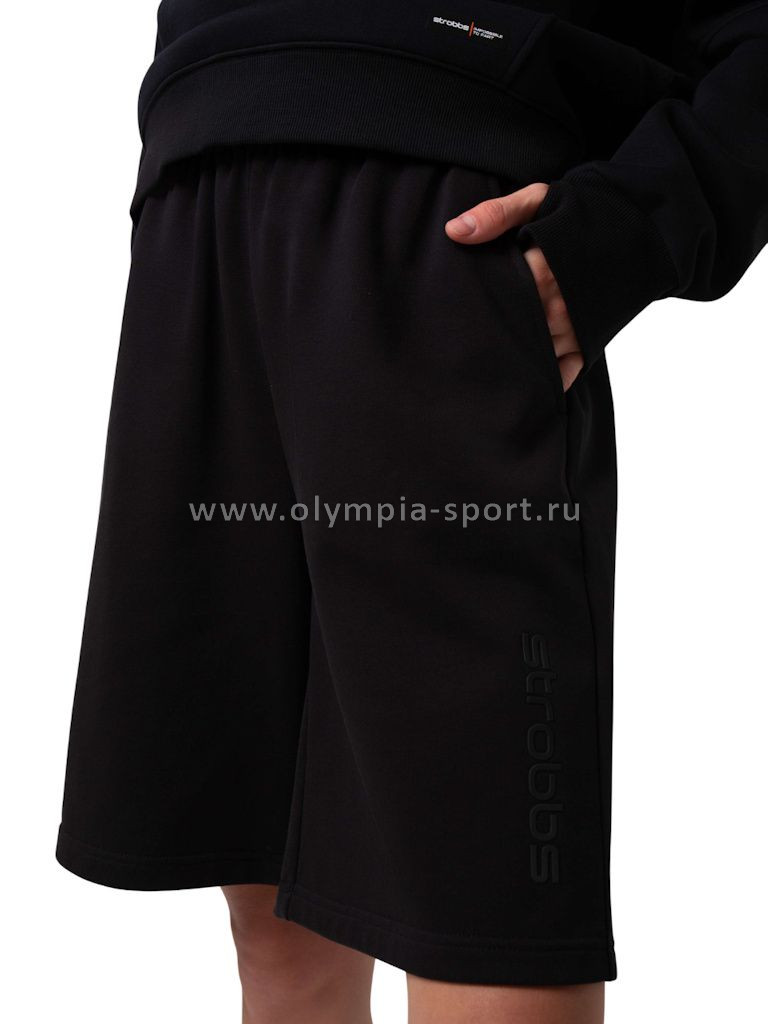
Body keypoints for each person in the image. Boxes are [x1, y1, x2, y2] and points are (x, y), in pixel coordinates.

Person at [56, 3, 768, 1022]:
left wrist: (632, 225)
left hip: (432, 219)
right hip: (201, 203)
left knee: (486, 929)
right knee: (274, 923)